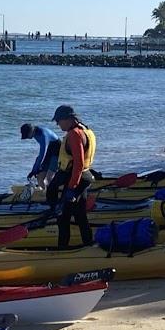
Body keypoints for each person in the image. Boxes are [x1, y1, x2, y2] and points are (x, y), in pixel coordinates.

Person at [51, 104, 97, 248]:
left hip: (77, 179)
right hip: (84, 177)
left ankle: (62, 250)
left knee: (63, 218)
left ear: (68, 119)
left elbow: (78, 164)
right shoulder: (85, 129)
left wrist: (71, 188)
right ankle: (88, 244)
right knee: (80, 214)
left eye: (58, 121)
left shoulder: (74, 134)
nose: (58, 124)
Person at [19, 122, 63, 190]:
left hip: (57, 151)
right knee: (39, 177)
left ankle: (51, 194)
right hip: (49, 151)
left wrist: (36, 169)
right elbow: (41, 156)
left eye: (27, 135)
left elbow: (42, 155)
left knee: (49, 177)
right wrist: (33, 171)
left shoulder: (43, 135)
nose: (27, 137)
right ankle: (42, 194)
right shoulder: (35, 133)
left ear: (31, 131)